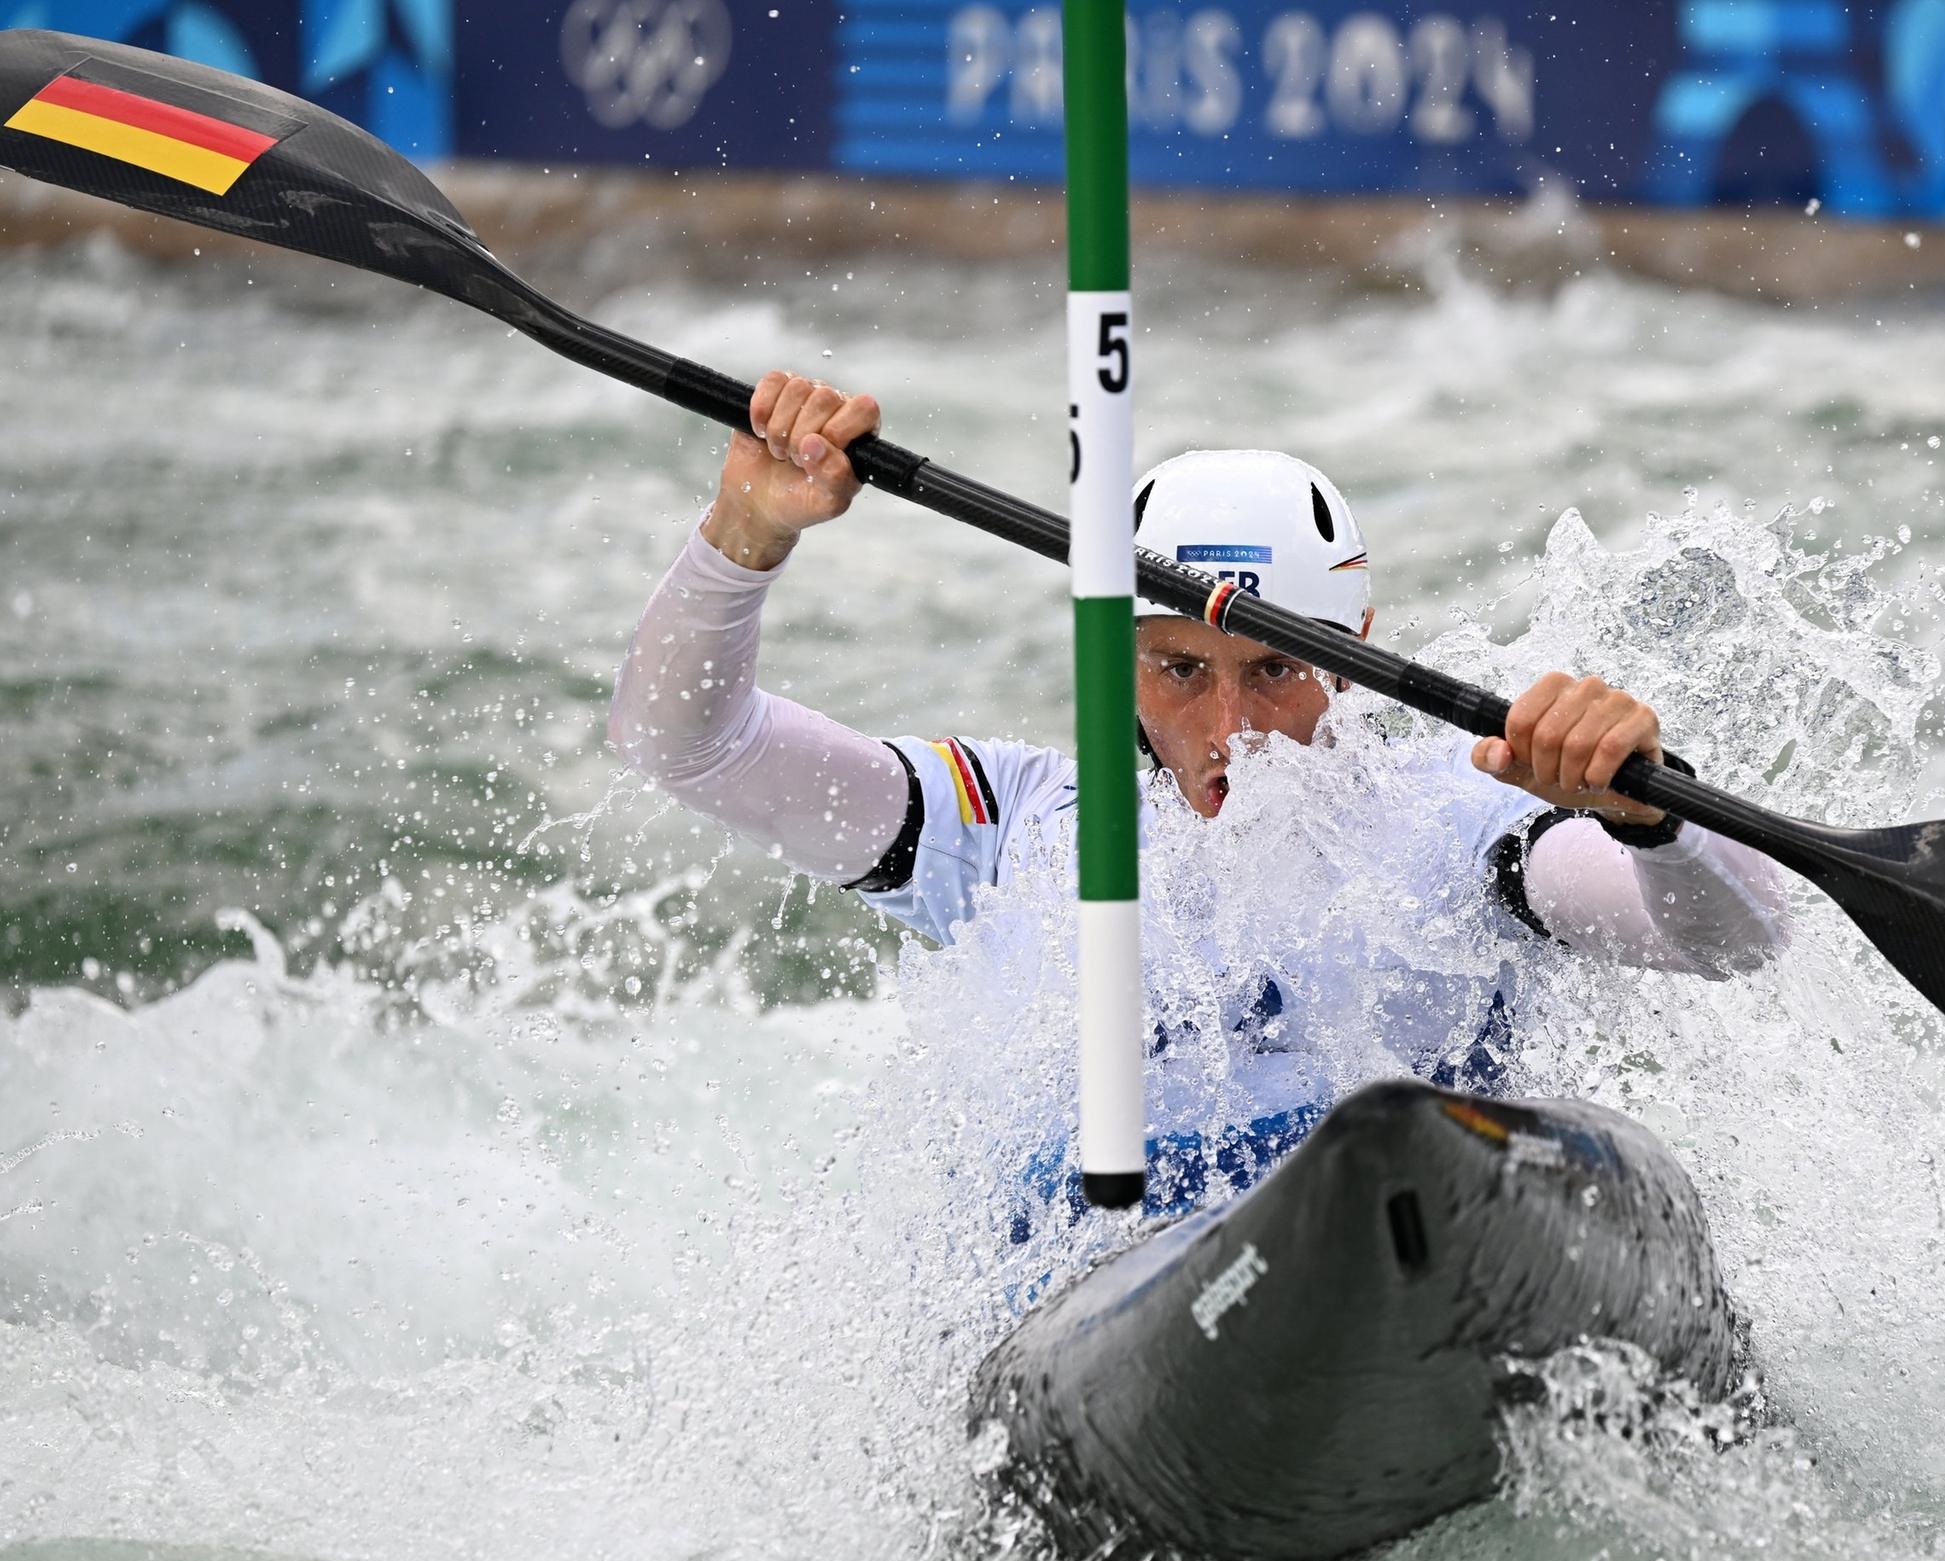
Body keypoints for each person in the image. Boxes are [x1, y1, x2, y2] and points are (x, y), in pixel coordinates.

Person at [609, 372, 1791, 1228]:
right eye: (1178, 669)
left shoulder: (1460, 818)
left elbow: (1736, 939)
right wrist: (743, 533)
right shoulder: (1009, 830)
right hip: (1097, 1317)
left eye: (1274, 669)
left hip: (1404, 1250)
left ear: (1354, 654)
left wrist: (1651, 820)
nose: (1229, 728)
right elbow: (688, 745)